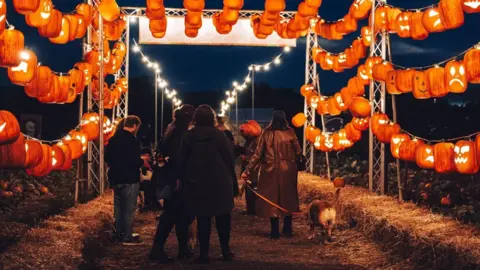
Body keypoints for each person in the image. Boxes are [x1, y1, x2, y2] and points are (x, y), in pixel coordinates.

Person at [178, 105, 238, 264]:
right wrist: (233, 181)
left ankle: (204, 253)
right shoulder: (219, 136)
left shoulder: (189, 136)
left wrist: (182, 179)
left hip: (197, 182)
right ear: (212, 118)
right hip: (220, 182)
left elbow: (182, 160)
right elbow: (229, 158)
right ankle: (225, 250)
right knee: (223, 218)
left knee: (203, 219)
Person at [241, 110, 302, 239]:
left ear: (272, 120)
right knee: (288, 197)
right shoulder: (290, 133)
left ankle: (274, 231)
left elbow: (257, 154)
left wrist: (247, 170)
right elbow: (298, 152)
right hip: (288, 170)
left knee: (271, 199)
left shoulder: (266, 133)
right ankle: (287, 228)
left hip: (269, 169)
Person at [149, 104, 196, 263]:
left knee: (180, 215)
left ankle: (182, 249)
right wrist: (178, 178)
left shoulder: (171, 131)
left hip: (170, 179)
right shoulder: (180, 135)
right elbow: (178, 159)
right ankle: (157, 249)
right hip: (176, 181)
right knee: (171, 215)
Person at [105, 115, 145, 245]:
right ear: (134, 126)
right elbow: (135, 160)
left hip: (116, 178)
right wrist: (142, 161)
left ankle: (118, 234)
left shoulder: (113, 139)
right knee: (129, 208)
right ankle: (127, 236)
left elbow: (107, 158)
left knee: (118, 208)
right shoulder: (133, 141)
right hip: (130, 178)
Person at [239, 120, 262, 216]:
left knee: (253, 190)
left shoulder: (257, 142)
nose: (244, 137)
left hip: (255, 170)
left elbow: (257, 156)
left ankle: (254, 210)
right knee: (249, 191)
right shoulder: (249, 141)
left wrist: (246, 158)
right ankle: (250, 210)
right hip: (249, 169)